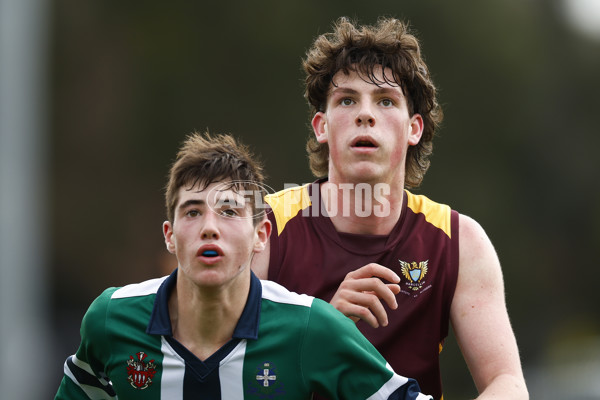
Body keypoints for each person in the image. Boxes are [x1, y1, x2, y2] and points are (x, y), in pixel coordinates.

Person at [251, 17, 528, 400]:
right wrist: (319, 329)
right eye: (347, 100)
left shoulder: (459, 241)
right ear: (322, 127)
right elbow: (213, 372)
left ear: (414, 128)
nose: (366, 114)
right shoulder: (262, 230)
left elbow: (508, 384)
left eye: (385, 101)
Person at [55, 131, 433, 399]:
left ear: (261, 235)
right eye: (192, 211)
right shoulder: (111, 319)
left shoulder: (310, 328)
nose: (209, 228)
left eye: (229, 211)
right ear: (169, 236)